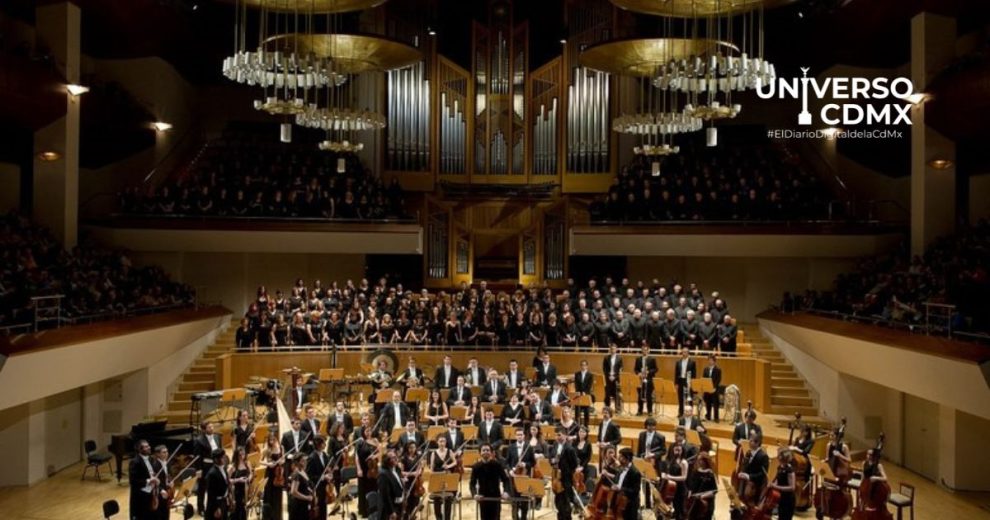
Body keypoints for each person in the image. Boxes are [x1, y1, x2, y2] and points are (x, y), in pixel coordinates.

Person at [470, 443, 512, 520]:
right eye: (483, 450)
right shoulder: (476, 466)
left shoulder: (497, 465)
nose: (486, 452)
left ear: (492, 453)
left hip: (495, 497)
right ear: (480, 453)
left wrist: (506, 491)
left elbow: (505, 480)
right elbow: (472, 483)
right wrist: (475, 494)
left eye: (488, 450)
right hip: (483, 498)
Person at [551, 427, 580, 520]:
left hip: (566, 480)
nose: (557, 437)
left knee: (566, 505)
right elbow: (550, 457)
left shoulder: (569, 448)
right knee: (558, 503)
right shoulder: (555, 445)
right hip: (556, 479)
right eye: (556, 435)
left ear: (565, 435)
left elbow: (574, 464)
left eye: (559, 435)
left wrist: (565, 471)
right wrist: (552, 460)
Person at [637, 418, 666, 509]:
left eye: (652, 426)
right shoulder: (642, 435)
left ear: (655, 426)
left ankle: (655, 503)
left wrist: (654, 454)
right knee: (644, 482)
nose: (650, 427)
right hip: (644, 461)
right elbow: (639, 449)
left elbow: (663, 451)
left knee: (654, 483)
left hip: (654, 463)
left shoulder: (660, 437)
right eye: (649, 425)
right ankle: (646, 503)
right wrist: (639, 460)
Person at [195, 422, 223, 516]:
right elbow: (197, 456)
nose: (211, 428)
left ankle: (215, 506)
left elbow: (221, 451)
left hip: (217, 465)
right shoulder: (199, 440)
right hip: (205, 466)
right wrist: (198, 469)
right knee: (202, 488)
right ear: (204, 429)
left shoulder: (218, 437)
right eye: (209, 427)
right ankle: (201, 508)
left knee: (216, 487)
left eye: (212, 426)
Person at [129, 440, 158, 520]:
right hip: (140, 496)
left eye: (148, 446)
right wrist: (149, 481)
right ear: (139, 449)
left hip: (151, 493)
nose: (149, 448)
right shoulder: (135, 462)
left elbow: (152, 472)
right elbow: (133, 481)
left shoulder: (151, 459)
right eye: (146, 447)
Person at [430, 436, 458, 520]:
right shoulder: (433, 453)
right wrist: (435, 475)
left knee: (448, 499)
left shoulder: (449, 451)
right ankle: (439, 518)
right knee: (437, 500)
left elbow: (455, 462)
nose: (442, 443)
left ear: (446, 442)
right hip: (438, 478)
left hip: (447, 477)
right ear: (437, 442)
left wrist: (448, 466)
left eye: (443, 441)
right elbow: (431, 469)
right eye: (440, 441)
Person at [685, 454, 717, 520]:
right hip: (694, 502)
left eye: (700, 460)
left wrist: (702, 496)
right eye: (698, 460)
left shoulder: (710, 474)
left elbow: (714, 491)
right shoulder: (696, 472)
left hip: (705, 503)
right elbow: (691, 486)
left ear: (705, 461)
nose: (699, 462)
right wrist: (690, 493)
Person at [662, 443, 689, 520]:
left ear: (682, 451)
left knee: (681, 509)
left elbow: (684, 477)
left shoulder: (684, 462)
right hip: (673, 488)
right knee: (675, 507)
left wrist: (670, 477)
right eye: (676, 450)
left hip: (681, 488)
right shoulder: (672, 460)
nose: (677, 452)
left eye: (679, 450)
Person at [259, 434, 284, 520]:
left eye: (273, 439)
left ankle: (277, 516)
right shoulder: (266, 450)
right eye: (270, 440)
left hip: (278, 474)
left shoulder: (281, 448)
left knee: (278, 495)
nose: (272, 442)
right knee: (269, 494)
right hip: (270, 473)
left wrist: (281, 462)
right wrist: (268, 464)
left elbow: (283, 459)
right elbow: (259, 461)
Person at [305, 437, 330, 520]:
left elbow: (327, 468)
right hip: (316, 488)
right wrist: (322, 477)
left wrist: (329, 474)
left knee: (324, 507)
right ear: (318, 445)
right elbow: (309, 476)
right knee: (317, 510)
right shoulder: (311, 458)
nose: (325, 445)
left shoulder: (324, 455)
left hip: (324, 487)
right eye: (323, 443)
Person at [613, 449, 642, 520]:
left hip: (629, 506)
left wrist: (620, 488)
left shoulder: (635, 473)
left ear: (628, 458)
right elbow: (616, 481)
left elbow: (635, 491)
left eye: (621, 457)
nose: (619, 459)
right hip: (619, 501)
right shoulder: (621, 468)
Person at [377, 450, 405, 520]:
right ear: (387, 461)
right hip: (390, 509)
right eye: (393, 457)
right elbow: (385, 495)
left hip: (398, 505)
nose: (396, 459)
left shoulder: (395, 469)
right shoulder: (383, 474)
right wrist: (391, 512)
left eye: (396, 457)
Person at [771, 450, 797, 520]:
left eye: (779, 456)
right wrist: (773, 484)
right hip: (781, 497)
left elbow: (792, 487)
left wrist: (776, 487)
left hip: (788, 500)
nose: (778, 457)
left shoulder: (789, 470)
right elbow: (777, 479)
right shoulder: (780, 467)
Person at [205, 451, 230, 520]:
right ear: (216, 460)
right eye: (223, 457)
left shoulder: (224, 469)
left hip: (223, 501)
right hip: (216, 504)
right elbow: (211, 494)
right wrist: (216, 508)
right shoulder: (212, 474)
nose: (225, 459)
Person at [229, 447, 252, 520]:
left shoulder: (247, 463)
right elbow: (227, 480)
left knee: (245, 510)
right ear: (236, 455)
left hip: (246, 490)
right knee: (238, 511)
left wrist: (248, 479)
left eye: (243, 454)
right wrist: (238, 480)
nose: (242, 456)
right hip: (237, 492)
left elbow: (251, 473)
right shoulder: (232, 467)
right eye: (240, 455)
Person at [634, 344, 657, 415]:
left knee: (649, 396)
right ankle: (639, 411)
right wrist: (638, 373)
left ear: (648, 350)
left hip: (649, 379)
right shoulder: (638, 359)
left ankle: (649, 411)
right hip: (640, 380)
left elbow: (656, 369)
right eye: (643, 350)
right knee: (640, 396)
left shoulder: (652, 359)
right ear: (641, 350)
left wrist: (649, 372)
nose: (644, 351)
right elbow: (635, 369)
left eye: (646, 350)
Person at [286, 455, 312, 520]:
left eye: (305, 460)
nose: (305, 462)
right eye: (303, 461)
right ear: (297, 463)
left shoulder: (303, 472)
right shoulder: (296, 474)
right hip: (298, 506)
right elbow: (293, 492)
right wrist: (306, 498)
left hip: (304, 505)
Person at [674, 348, 696, 417]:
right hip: (680, 381)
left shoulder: (692, 362)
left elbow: (694, 374)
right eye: (683, 352)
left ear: (688, 353)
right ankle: (680, 412)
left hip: (688, 381)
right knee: (680, 398)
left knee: (689, 398)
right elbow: (676, 373)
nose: (684, 353)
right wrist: (676, 383)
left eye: (686, 352)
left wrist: (692, 383)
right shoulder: (678, 362)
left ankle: (689, 413)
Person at [701, 355, 723, 422]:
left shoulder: (718, 369)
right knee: (708, 403)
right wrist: (706, 388)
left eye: (711, 360)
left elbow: (718, 380)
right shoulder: (705, 369)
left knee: (715, 404)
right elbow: (704, 379)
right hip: (707, 389)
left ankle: (716, 418)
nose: (710, 361)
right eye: (709, 360)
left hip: (714, 390)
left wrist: (714, 388)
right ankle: (708, 416)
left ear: (714, 361)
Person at [153, 445, 172, 520]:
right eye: (164, 452)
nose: (166, 454)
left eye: (167, 452)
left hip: (167, 490)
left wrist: (170, 481)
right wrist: (161, 490)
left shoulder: (167, 462)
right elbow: (154, 481)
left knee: (166, 511)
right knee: (160, 513)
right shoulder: (155, 465)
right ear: (158, 454)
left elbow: (169, 475)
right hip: (159, 492)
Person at [573, 359, 594, 426]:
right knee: (577, 411)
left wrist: (585, 392)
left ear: (587, 366)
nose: (583, 366)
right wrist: (578, 392)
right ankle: (577, 425)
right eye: (582, 365)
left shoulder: (590, 375)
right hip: (578, 394)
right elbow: (576, 384)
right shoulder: (577, 374)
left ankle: (586, 426)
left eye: (584, 365)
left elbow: (590, 385)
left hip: (586, 394)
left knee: (586, 412)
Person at [602, 344, 622, 409]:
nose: (613, 350)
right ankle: (607, 407)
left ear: (616, 349)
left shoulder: (620, 358)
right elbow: (604, 368)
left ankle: (618, 408)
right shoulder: (606, 358)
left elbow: (620, 369)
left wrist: (614, 376)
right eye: (612, 349)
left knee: (617, 393)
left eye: (614, 349)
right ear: (610, 349)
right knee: (607, 393)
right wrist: (609, 376)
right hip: (608, 378)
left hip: (616, 378)